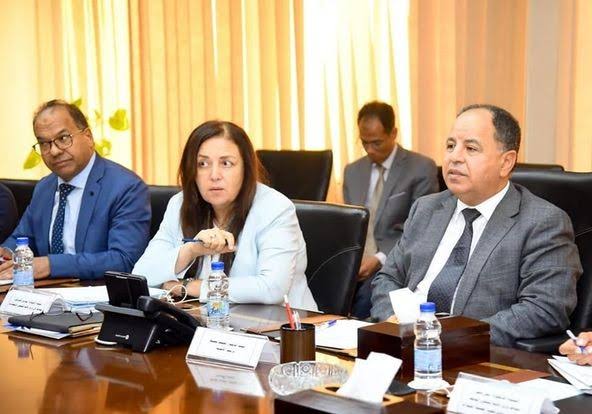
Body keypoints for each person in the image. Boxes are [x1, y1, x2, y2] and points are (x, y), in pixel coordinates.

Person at [370, 104, 582, 347]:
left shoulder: (542, 222)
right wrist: (393, 321)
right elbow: (387, 278)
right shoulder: (426, 209)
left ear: (506, 162)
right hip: (402, 345)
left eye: (470, 148)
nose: (454, 157)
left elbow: (545, 308)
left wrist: (448, 337)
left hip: (473, 355)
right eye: (450, 146)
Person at [132, 120, 318, 311]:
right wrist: (191, 251)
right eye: (202, 164)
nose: (214, 175)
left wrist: (190, 287)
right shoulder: (180, 204)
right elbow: (141, 275)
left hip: (280, 324)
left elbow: (272, 288)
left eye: (226, 163)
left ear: (246, 168)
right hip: (206, 320)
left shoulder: (275, 208)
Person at [0, 99, 150, 280]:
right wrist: (6, 253)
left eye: (63, 138)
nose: (54, 151)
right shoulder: (44, 188)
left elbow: (123, 259)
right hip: (44, 293)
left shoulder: (126, 187)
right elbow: (22, 238)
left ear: (88, 137)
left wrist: (51, 265)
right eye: (44, 143)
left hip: (96, 293)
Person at [343, 101, 438, 318]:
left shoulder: (420, 168)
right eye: (364, 143)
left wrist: (379, 258)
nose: (370, 150)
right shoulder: (353, 171)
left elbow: (420, 228)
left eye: (376, 143)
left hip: (392, 261)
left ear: (393, 133)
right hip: (355, 260)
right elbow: (349, 226)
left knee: (366, 300)